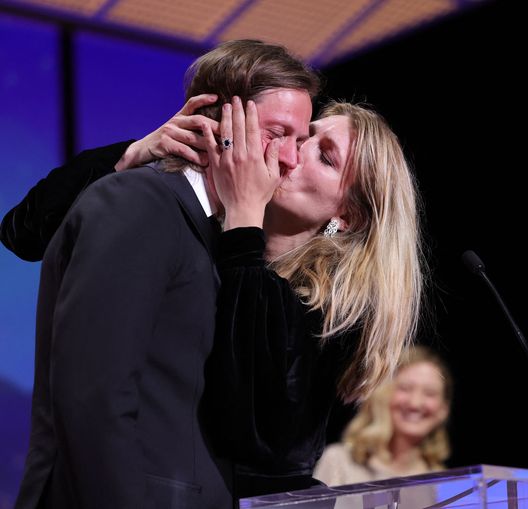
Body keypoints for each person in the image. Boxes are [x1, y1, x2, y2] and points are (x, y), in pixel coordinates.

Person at [3, 42, 426, 505]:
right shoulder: (166, 214)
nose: (289, 156)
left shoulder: (322, 308)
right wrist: (134, 153)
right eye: (292, 136)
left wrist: (244, 216)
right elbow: (25, 234)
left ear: (347, 216)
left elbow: (252, 433)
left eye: (318, 154)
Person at [313, 345, 452, 486]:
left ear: (443, 409)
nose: (415, 403)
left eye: (429, 393)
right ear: (382, 395)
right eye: (405, 388)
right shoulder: (339, 462)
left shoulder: (442, 484)